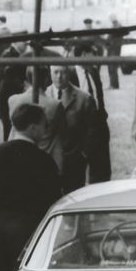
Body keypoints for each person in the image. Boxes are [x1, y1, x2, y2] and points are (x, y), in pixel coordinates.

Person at [0, 103, 61, 271]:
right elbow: (53, 198)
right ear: (33, 127)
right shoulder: (43, 159)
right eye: (44, 125)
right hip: (25, 225)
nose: (46, 129)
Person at [48, 65, 97, 193]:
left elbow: (92, 130)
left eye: (63, 72)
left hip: (74, 159)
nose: (59, 76)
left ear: (69, 73)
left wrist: (83, 154)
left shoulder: (84, 98)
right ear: (50, 72)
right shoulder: (43, 95)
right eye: (55, 72)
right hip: (49, 158)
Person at [105, 17, 122, 90]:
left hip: (113, 51)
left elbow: (109, 40)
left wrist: (107, 44)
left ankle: (113, 85)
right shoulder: (117, 31)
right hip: (113, 50)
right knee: (112, 68)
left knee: (112, 68)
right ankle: (114, 84)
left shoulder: (116, 31)